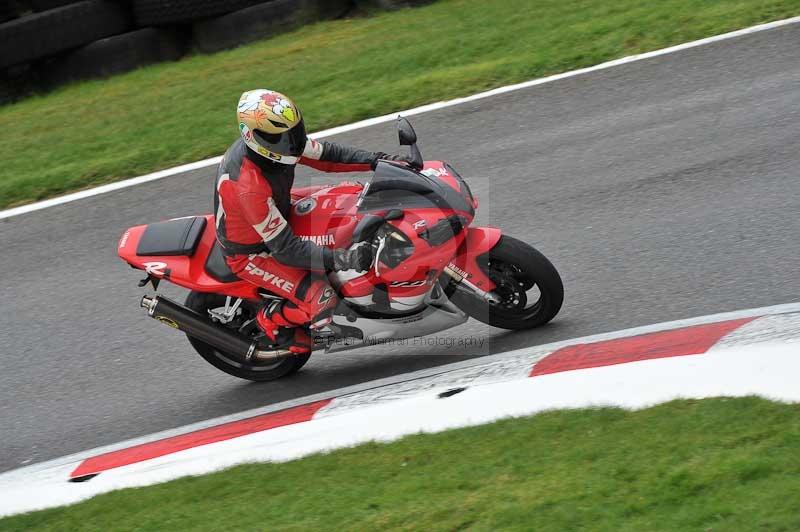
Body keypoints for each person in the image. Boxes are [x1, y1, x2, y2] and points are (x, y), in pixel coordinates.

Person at [214, 89, 406, 354]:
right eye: (280, 137)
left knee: (350, 193)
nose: (291, 142)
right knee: (321, 296)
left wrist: (379, 161)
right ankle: (270, 318)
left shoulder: (279, 147)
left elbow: (329, 155)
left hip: (278, 207)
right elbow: (287, 250)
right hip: (253, 252)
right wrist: (344, 258)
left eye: (294, 132)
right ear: (252, 136)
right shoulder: (249, 186)